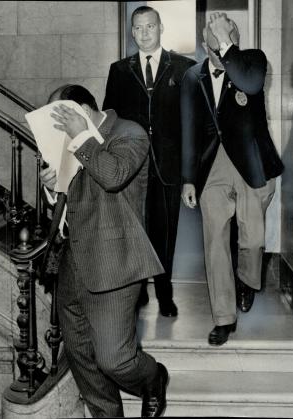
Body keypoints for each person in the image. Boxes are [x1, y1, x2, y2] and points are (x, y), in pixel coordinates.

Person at [40, 84, 169, 417]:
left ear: (83, 109)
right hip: (72, 264)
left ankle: (153, 376)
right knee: (82, 358)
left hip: (115, 262)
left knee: (115, 359)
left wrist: (82, 136)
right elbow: (71, 202)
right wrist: (52, 189)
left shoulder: (129, 133)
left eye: (62, 118)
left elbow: (112, 176)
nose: (58, 130)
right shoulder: (71, 142)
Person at [181, 13, 284, 346]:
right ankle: (223, 318)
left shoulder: (252, 62)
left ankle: (246, 280)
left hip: (251, 164)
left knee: (253, 240)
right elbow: (189, 130)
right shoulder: (192, 76)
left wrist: (227, 44)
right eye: (212, 38)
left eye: (225, 36)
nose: (219, 43)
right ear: (202, 44)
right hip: (212, 167)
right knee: (215, 242)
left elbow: (250, 85)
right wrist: (188, 179)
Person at [103, 6, 195, 317]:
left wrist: (189, 175)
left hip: (168, 168)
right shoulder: (119, 70)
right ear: (131, 32)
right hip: (132, 166)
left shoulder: (184, 68)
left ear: (161, 27)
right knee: (135, 229)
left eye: (150, 26)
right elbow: (109, 120)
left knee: (165, 232)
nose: (144, 33)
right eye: (138, 28)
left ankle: (165, 293)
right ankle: (138, 290)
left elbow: (191, 126)